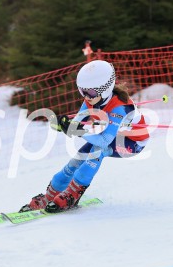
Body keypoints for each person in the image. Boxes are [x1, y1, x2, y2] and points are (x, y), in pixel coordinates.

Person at [21, 60, 149, 213]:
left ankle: (72, 194)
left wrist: (76, 130)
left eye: (91, 93)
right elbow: (77, 123)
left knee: (98, 151)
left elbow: (103, 141)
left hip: (132, 143)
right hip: (114, 136)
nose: (86, 96)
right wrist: (62, 124)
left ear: (105, 89)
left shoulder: (120, 108)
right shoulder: (92, 98)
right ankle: (50, 195)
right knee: (77, 160)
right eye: (83, 91)